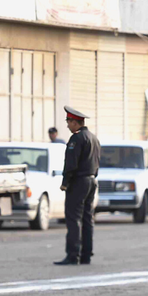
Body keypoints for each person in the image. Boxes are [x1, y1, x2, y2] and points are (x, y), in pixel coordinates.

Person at [55, 106, 100, 266]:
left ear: (75, 122)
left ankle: (73, 255)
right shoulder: (93, 138)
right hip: (92, 180)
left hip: (79, 181)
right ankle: (86, 254)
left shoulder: (76, 139)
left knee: (73, 218)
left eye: (69, 121)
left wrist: (65, 182)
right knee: (87, 218)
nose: (67, 125)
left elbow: (71, 163)